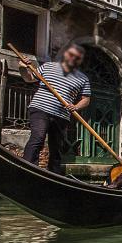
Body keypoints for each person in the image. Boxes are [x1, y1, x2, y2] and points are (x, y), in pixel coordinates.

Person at [20, 44, 92, 175]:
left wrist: (76, 106)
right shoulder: (48, 66)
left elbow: (86, 99)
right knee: (38, 137)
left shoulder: (83, 78)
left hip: (62, 115)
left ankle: (55, 174)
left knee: (57, 147)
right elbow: (28, 78)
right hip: (40, 108)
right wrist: (22, 67)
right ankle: (28, 168)